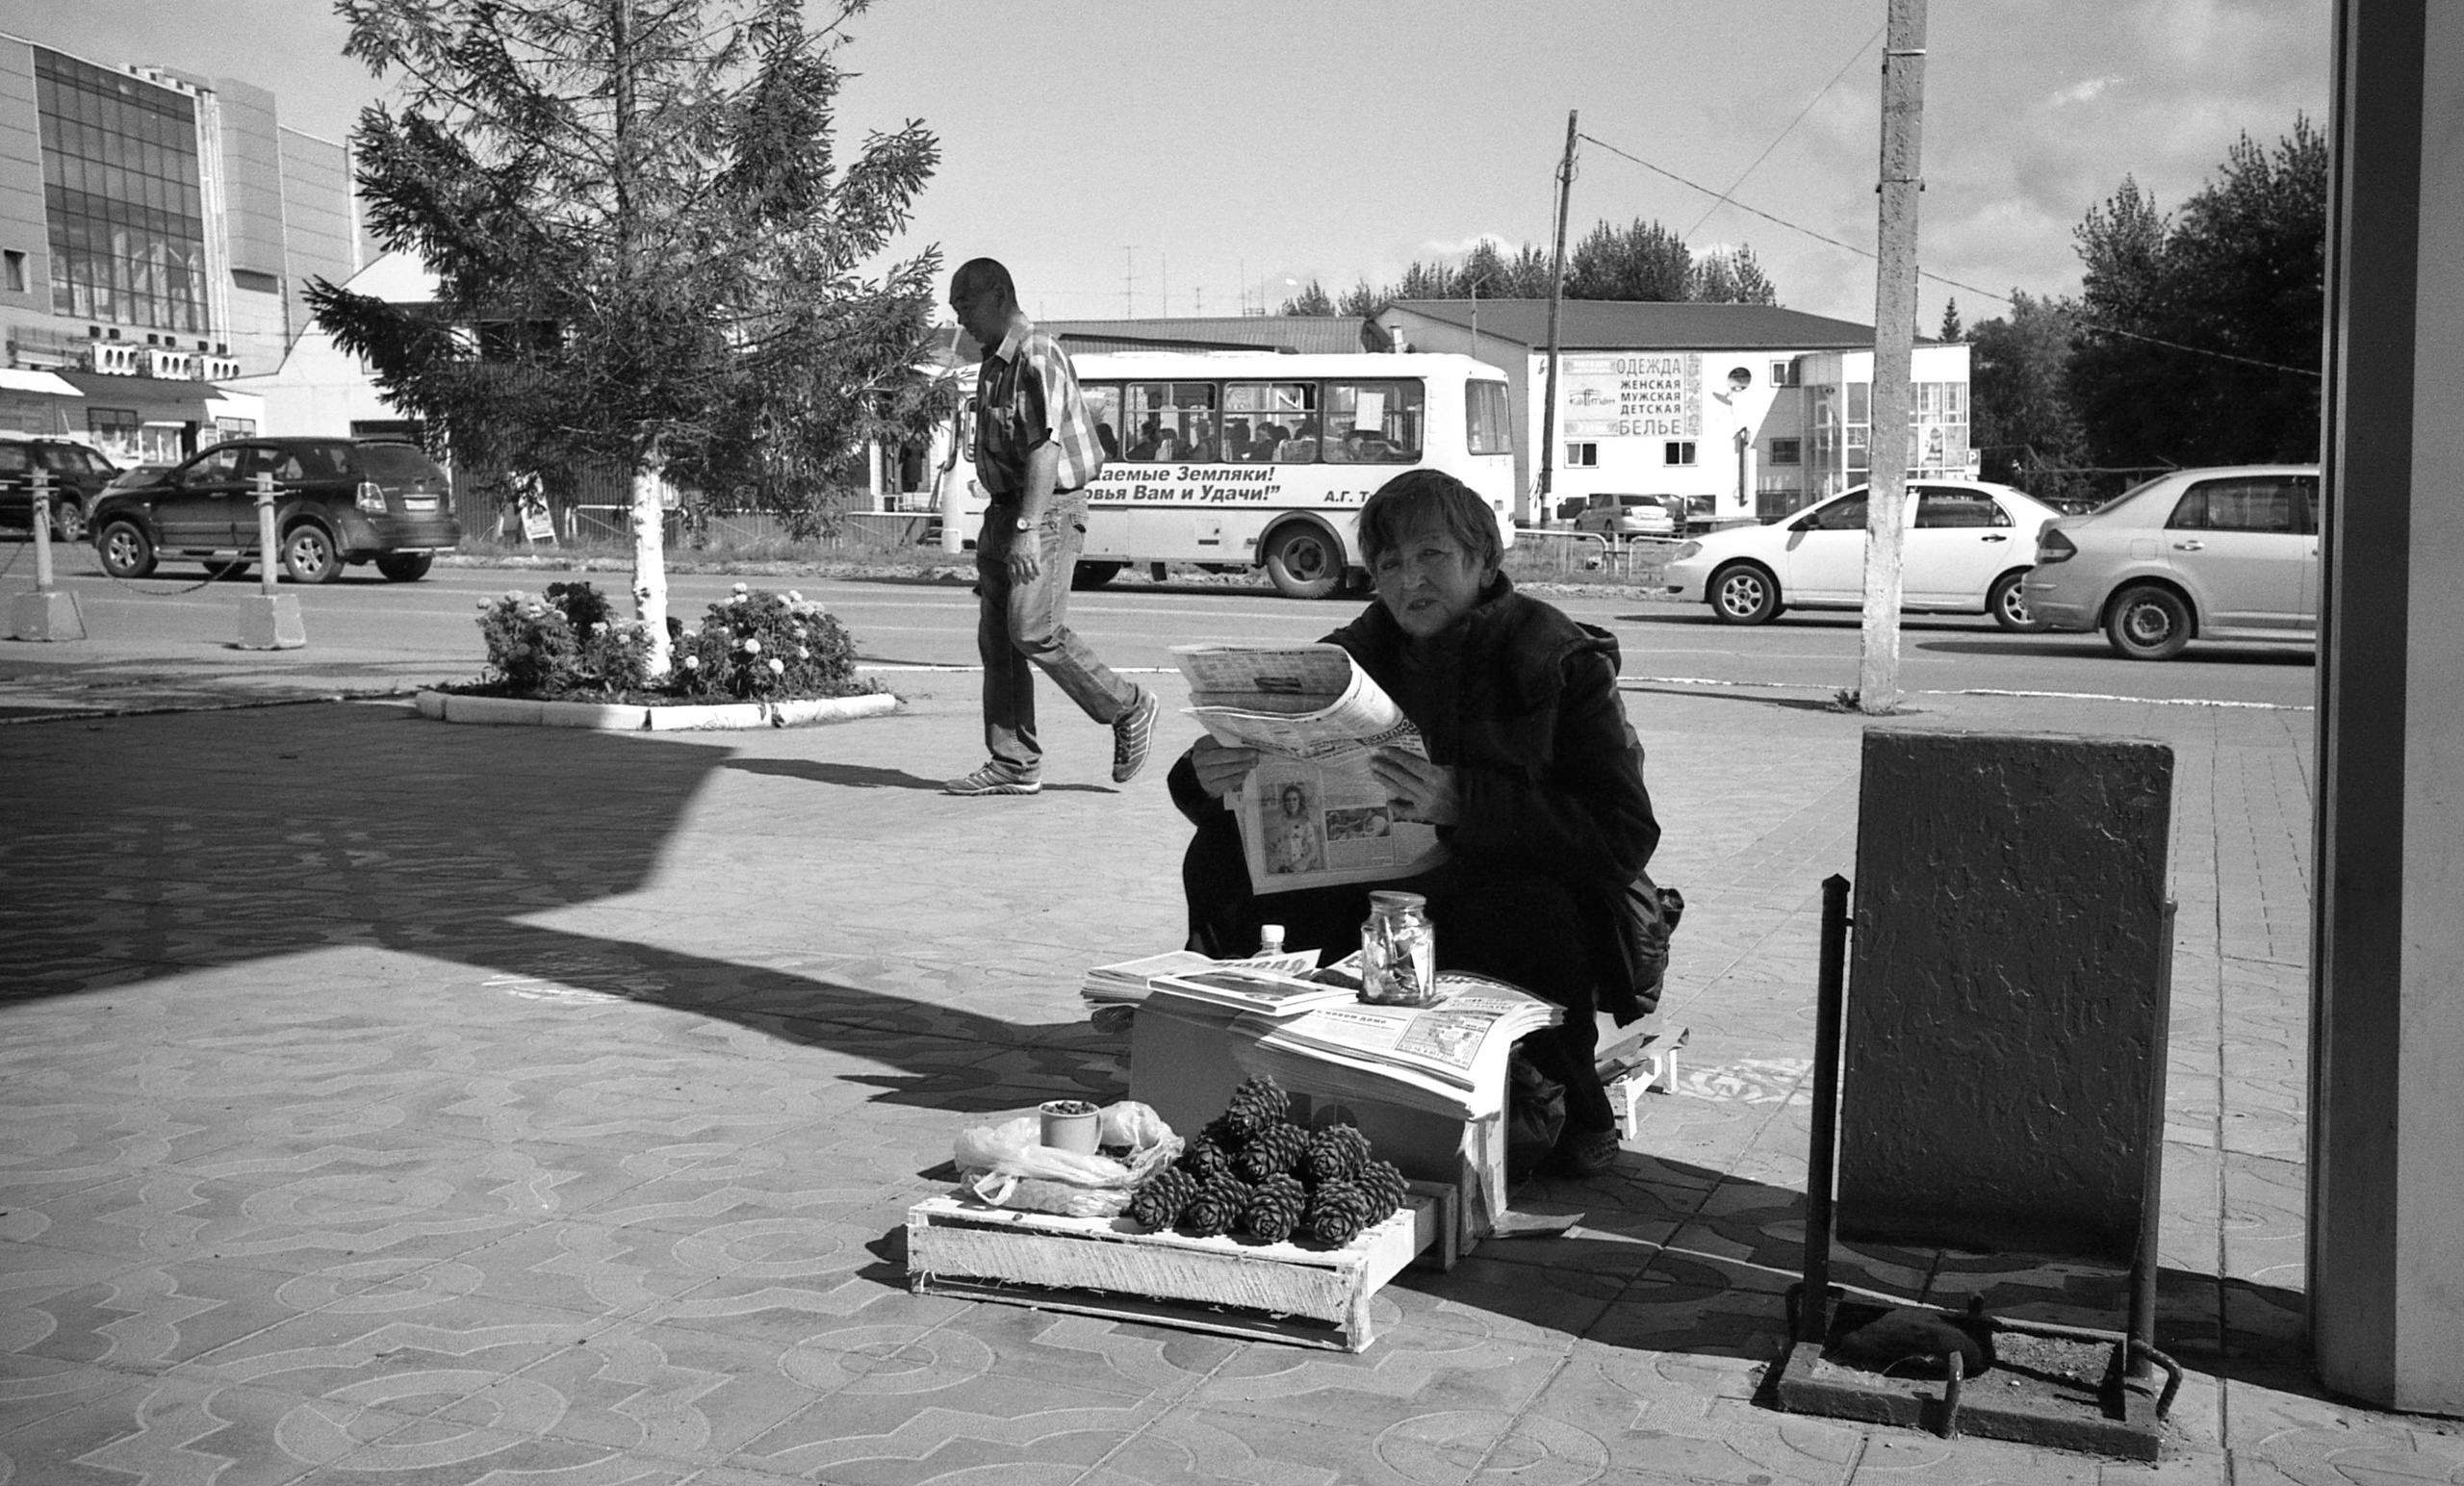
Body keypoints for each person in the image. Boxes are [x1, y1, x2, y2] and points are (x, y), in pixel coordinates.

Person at [1165, 469, 1664, 1175]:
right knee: (1220, 852)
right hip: (1372, 889)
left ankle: (1568, 1092)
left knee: (1528, 905)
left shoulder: (1558, 660)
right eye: (1391, 563)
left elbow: (1624, 834)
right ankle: (1239, 1052)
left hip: (1510, 895)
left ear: (1485, 562)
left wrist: (1465, 802)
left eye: (1432, 555)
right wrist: (1206, 777)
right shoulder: (1351, 657)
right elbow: (1248, 788)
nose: (1410, 580)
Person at [944, 258, 1160, 796]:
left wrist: (1026, 525)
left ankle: (1128, 706)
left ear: (998, 295)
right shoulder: (992, 364)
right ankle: (1013, 763)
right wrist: (1006, 521)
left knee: (1032, 629)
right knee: (999, 644)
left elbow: (1046, 446)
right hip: (1004, 511)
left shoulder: (1037, 353)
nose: (959, 320)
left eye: (965, 305)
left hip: (1046, 510)